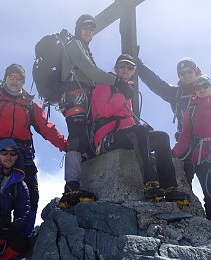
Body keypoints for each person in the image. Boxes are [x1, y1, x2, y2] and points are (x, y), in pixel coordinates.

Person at [0, 64, 67, 235]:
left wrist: (65, 145)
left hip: (22, 154)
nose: (15, 81)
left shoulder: (30, 105)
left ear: (23, 82)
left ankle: (23, 236)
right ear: (5, 79)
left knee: (31, 194)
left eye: (19, 78)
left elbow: (46, 128)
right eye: (11, 77)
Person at [91, 54, 189, 204]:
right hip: (106, 138)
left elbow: (126, 119)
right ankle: (150, 182)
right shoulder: (105, 84)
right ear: (116, 69)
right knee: (139, 131)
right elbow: (102, 111)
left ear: (133, 71)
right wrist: (123, 95)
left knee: (162, 137)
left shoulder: (126, 88)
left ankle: (170, 187)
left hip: (125, 135)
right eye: (122, 66)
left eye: (130, 67)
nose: (125, 70)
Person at [59, 14, 133, 204]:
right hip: (75, 96)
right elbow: (90, 71)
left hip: (81, 98)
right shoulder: (74, 45)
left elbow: (90, 73)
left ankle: (80, 183)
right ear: (78, 29)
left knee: (83, 138)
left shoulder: (83, 47)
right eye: (85, 27)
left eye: (91, 29)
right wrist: (116, 81)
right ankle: (71, 186)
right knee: (76, 138)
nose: (89, 31)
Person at [137, 57, 203, 186]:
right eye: (182, 73)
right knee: (185, 182)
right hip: (185, 146)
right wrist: (140, 66)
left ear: (196, 71)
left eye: (189, 71)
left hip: (207, 146)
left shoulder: (207, 90)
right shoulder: (175, 94)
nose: (186, 75)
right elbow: (156, 83)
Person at [172, 75, 211, 220]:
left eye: (205, 85)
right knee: (209, 194)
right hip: (202, 157)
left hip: (202, 154)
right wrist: (173, 153)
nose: (201, 89)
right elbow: (185, 137)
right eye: (198, 87)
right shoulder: (191, 110)